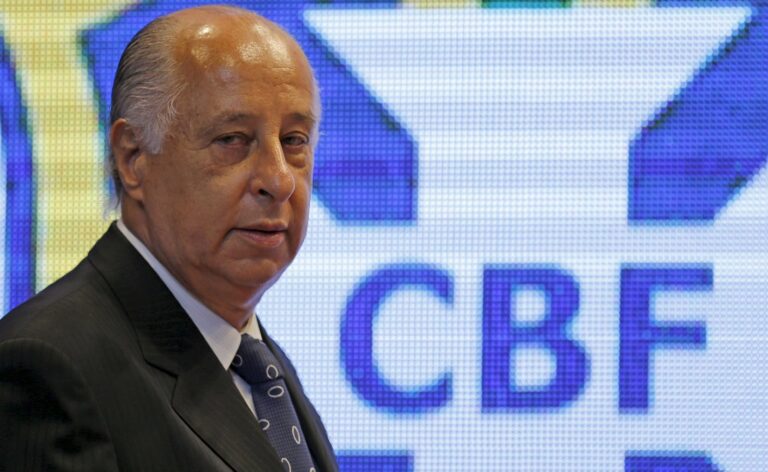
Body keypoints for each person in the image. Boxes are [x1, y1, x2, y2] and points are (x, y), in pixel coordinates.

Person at [0, 5, 337, 471]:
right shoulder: (48, 368)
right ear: (133, 158)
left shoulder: (255, 361)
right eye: (233, 139)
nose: (279, 180)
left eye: (294, 140)